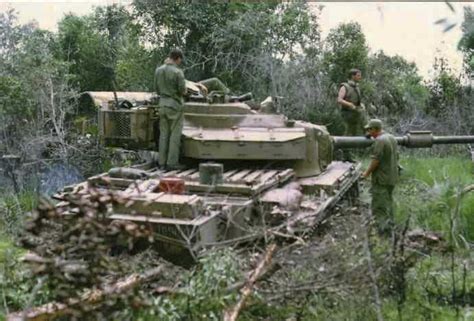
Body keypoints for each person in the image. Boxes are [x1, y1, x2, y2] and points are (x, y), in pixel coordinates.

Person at [361, 119, 399, 236]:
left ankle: (383, 233)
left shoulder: (379, 141)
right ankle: (391, 227)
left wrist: (366, 173)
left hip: (381, 179)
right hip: (391, 177)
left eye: (370, 129)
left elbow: (375, 160)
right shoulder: (391, 138)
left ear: (375, 129)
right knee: (388, 203)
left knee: (379, 206)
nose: (368, 132)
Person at [154, 49, 187, 170]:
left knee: (163, 134)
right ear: (178, 58)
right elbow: (182, 90)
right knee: (175, 135)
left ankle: (161, 162)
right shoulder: (178, 72)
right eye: (180, 60)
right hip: (175, 106)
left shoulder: (158, 70)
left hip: (162, 105)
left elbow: (156, 89)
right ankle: (172, 163)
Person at [337, 68, 367, 161]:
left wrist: (360, 104)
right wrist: (349, 104)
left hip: (355, 114)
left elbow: (357, 100)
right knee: (347, 135)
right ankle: (345, 156)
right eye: (358, 75)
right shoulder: (344, 87)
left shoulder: (356, 87)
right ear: (352, 76)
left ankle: (349, 157)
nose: (360, 77)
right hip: (347, 114)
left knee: (353, 135)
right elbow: (339, 100)